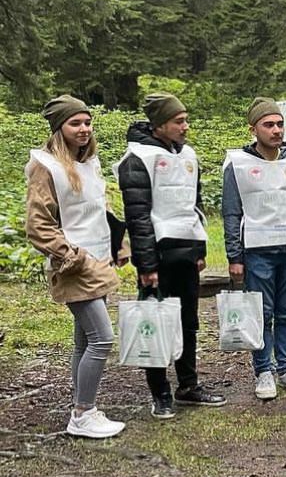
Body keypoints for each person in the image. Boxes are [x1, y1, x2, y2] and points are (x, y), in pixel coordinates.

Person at [118, 91, 225, 418]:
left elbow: (194, 205)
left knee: (187, 322)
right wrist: (146, 264)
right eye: (179, 121)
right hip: (159, 256)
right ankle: (160, 393)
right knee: (156, 323)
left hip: (186, 252)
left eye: (186, 120)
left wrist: (200, 248)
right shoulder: (137, 158)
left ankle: (188, 386)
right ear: (159, 125)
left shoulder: (188, 154)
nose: (186, 126)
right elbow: (137, 215)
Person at [26, 96, 127, 438]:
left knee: (85, 343)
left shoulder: (89, 161)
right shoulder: (45, 166)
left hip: (98, 259)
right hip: (75, 265)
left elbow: (98, 208)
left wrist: (119, 243)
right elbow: (38, 225)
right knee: (102, 339)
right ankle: (83, 413)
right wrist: (71, 255)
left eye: (87, 123)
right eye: (75, 124)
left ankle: (83, 405)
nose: (84, 129)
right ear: (59, 128)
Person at [222, 97, 286, 400]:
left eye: (279, 124)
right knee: (261, 313)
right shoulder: (238, 163)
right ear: (254, 129)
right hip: (257, 250)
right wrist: (234, 256)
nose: (276, 130)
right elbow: (231, 212)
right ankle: (264, 370)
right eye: (268, 124)